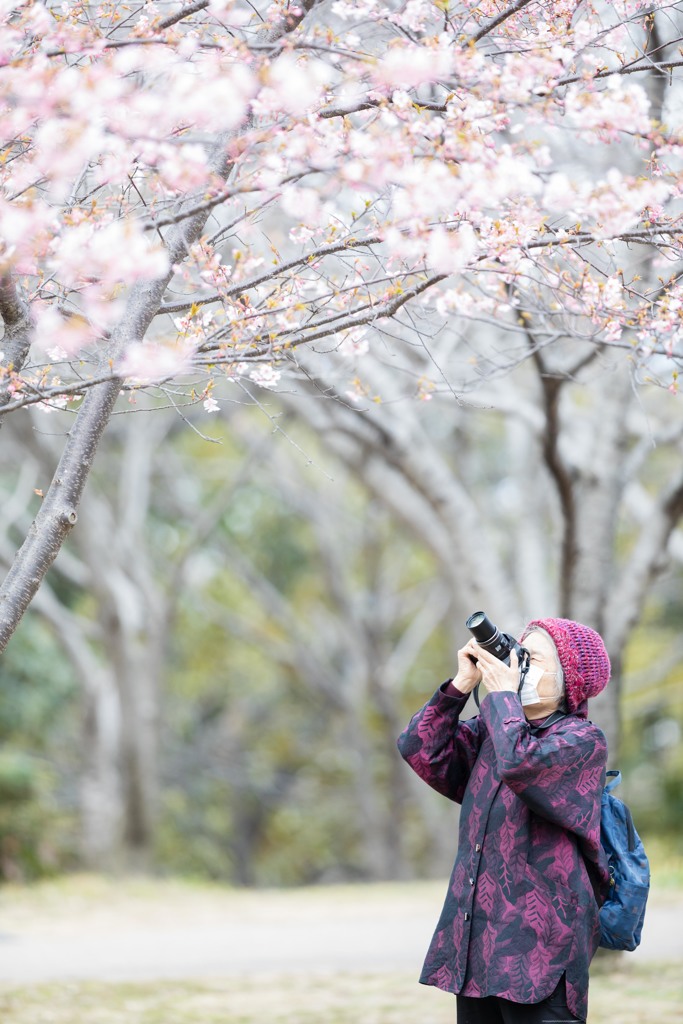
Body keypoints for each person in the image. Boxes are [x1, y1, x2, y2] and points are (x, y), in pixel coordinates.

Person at [397, 617, 612, 1024]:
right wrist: (461, 684)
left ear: (571, 680)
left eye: (532, 659)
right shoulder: (492, 733)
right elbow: (419, 747)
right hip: (478, 949)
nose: (519, 667)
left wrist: (500, 696)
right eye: (519, 655)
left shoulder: (582, 741)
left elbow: (519, 763)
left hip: (540, 955)